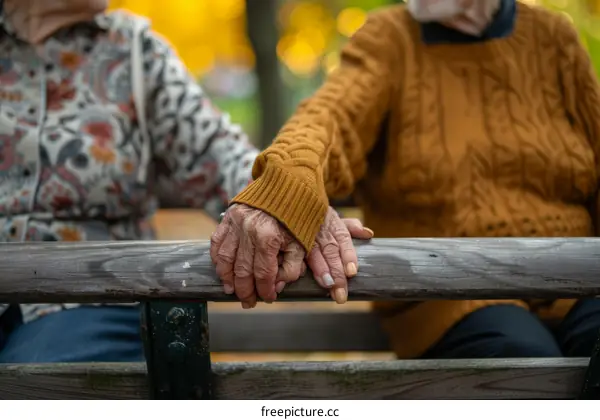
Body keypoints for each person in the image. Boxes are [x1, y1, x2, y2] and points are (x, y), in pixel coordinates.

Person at [211, 0, 600, 359]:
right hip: (451, 294)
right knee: (520, 358)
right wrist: (286, 185)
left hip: (574, 278)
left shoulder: (554, 39)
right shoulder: (389, 38)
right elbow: (328, 120)